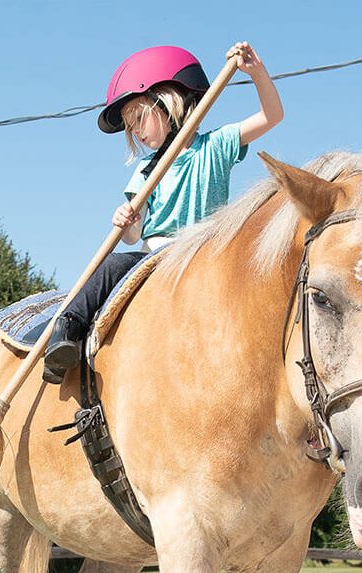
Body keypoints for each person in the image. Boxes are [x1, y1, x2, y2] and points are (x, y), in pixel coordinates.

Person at [42, 41, 283, 383]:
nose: (136, 131)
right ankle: (67, 331)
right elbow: (135, 235)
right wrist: (126, 221)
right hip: (156, 257)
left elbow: (272, 116)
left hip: (207, 252)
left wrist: (256, 72)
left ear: (168, 102)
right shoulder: (146, 170)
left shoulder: (217, 145)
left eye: (138, 117)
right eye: (130, 127)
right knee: (112, 266)